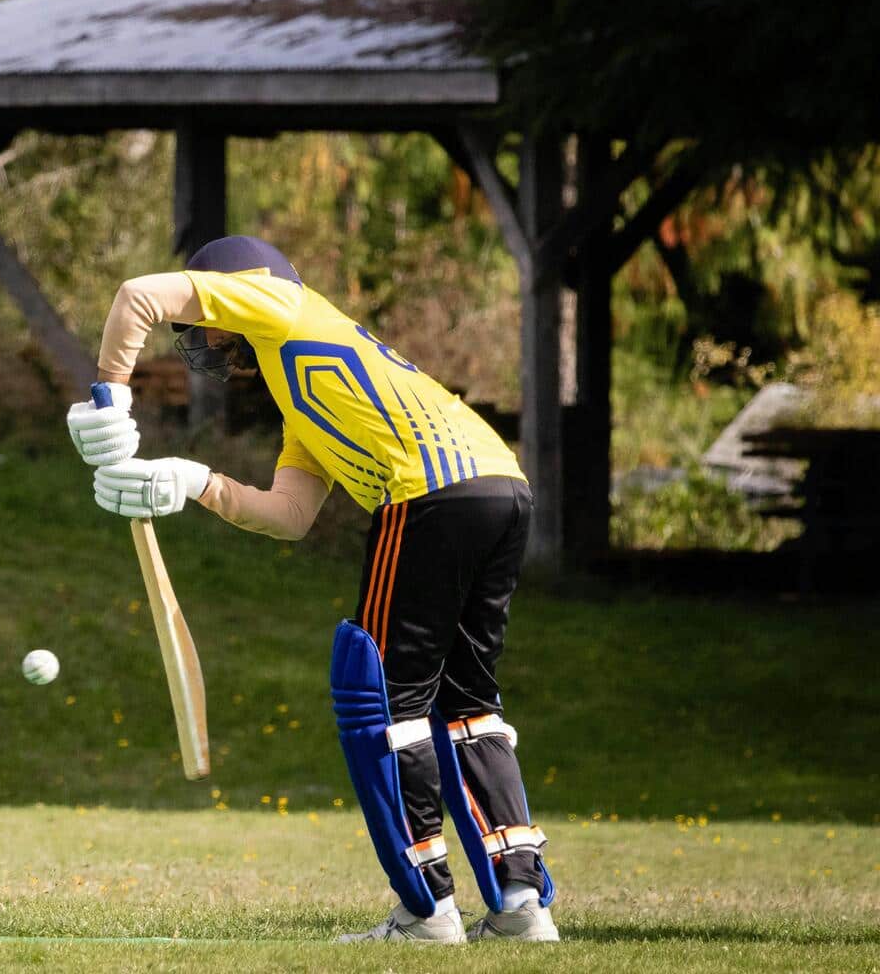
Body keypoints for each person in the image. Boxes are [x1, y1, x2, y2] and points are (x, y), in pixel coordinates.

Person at [66, 236, 557, 944]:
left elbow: (137, 296)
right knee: (465, 703)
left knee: (379, 696)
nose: (201, 338)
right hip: (499, 489)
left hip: (427, 495)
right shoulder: (307, 386)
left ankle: (427, 910)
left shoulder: (277, 301)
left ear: (236, 289)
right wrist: (189, 480)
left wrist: (108, 398)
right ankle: (520, 905)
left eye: (205, 317)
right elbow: (289, 515)